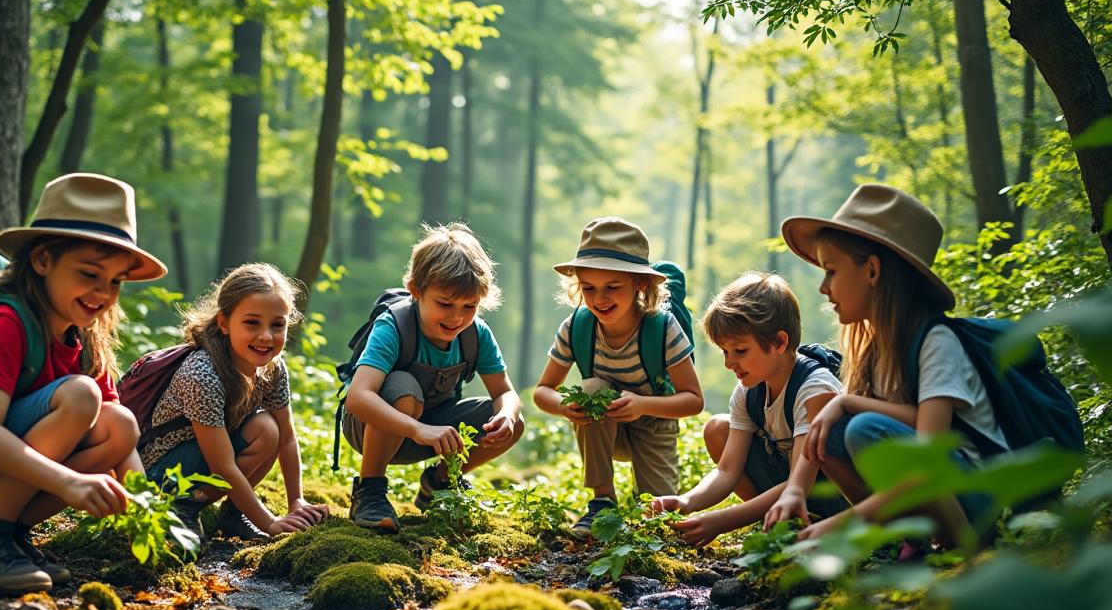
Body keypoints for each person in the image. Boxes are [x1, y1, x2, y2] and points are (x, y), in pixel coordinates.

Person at [0, 173, 165, 595]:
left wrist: (147, 507)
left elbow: (120, 434)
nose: (103, 292)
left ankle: (7, 534)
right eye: (89, 273)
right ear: (43, 260)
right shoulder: (6, 322)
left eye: (116, 281)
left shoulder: (85, 336)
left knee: (119, 424)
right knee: (81, 396)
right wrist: (69, 483)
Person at [766, 183, 1001, 546]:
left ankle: (960, 548)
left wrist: (843, 524)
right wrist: (795, 489)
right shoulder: (873, 348)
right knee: (832, 430)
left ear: (872, 271)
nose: (823, 288)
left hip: (972, 496)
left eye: (831, 271)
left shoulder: (935, 342)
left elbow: (931, 454)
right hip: (932, 491)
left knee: (863, 428)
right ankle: (905, 541)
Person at [342, 223, 524, 533]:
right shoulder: (394, 326)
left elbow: (506, 394)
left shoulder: (475, 334)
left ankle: (438, 483)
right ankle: (369, 490)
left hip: (432, 431)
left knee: (515, 422)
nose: (457, 317)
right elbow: (358, 398)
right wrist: (418, 429)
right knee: (403, 389)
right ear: (416, 290)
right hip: (372, 427)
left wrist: (506, 414)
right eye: (445, 304)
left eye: (469, 306)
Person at [532, 217, 704, 538]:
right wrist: (564, 407)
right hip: (604, 428)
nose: (599, 299)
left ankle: (642, 503)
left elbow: (693, 400)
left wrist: (641, 405)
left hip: (654, 423)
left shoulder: (662, 328)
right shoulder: (577, 327)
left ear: (640, 284)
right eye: (589, 288)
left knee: (657, 523)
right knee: (594, 389)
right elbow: (543, 390)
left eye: (612, 287)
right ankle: (602, 502)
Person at [650, 272, 846, 545]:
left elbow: (800, 482)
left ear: (779, 342)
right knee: (718, 428)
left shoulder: (814, 389)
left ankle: (804, 525)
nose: (729, 363)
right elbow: (728, 470)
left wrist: (724, 520)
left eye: (739, 351)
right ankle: (776, 522)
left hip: (825, 493)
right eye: (724, 351)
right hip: (788, 487)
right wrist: (686, 501)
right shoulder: (749, 389)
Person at [139, 263, 329, 540]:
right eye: (252, 323)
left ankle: (233, 514)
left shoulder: (272, 368)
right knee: (263, 431)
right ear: (224, 323)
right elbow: (223, 466)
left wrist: (296, 500)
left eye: (278, 325)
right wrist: (270, 522)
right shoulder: (201, 374)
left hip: (206, 463)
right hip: (161, 472)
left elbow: (287, 438)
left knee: (268, 429)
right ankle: (182, 508)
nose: (266, 336)